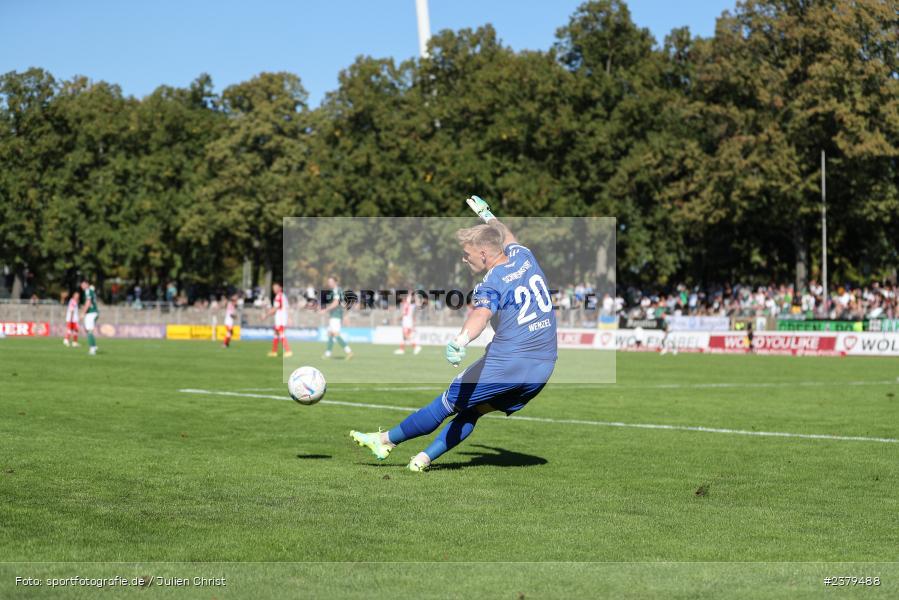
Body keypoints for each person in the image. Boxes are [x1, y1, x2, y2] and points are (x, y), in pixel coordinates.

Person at [350, 195, 557, 471]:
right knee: (474, 410)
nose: (464, 258)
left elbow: (480, 315)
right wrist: (487, 214)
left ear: (484, 254)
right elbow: (506, 234)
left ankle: (385, 441)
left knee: (447, 402)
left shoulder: (490, 283)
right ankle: (423, 459)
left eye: (467, 253)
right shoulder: (524, 256)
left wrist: (461, 340)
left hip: (509, 363)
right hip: (543, 368)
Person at [320, 276, 352, 359]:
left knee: (335, 334)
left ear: (335, 282)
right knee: (330, 334)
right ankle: (328, 353)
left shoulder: (338, 290)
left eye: (331, 281)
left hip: (336, 315)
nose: (329, 283)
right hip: (333, 315)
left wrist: (325, 310)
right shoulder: (333, 291)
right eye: (328, 282)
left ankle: (349, 351)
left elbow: (336, 303)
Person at [265, 283, 292, 358]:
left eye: (275, 288)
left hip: (280, 319)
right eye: (273, 288)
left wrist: (266, 315)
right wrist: (289, 317)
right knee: (276, 334)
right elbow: (286, 307)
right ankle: (274, 352)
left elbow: (275, 308)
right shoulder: (283, 296)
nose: (274, 290)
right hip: (282, 318)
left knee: (281, 334)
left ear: (280, 288)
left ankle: (288, 351)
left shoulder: (279, 296)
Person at [394, 290, 421, 355]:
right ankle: (401, 350)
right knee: (404, 337)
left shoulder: (407, 305)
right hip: (408, 321)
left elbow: (404, 314)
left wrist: (398, 319)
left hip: (407, 322)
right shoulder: (411, 305)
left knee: (406, 335)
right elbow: (416, 303)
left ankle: (416, 347)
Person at [80, 280, 100, 355]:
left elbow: (88, 302)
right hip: (93, 312)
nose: (82, 286)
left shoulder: (88, 291)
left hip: (91, 313)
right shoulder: (91, 290)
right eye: (81, 285)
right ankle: (94, 346)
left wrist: (83, 313)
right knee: (88, 330)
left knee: (89, 330)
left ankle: (92, 348)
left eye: (83, 284)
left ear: (87, 284)